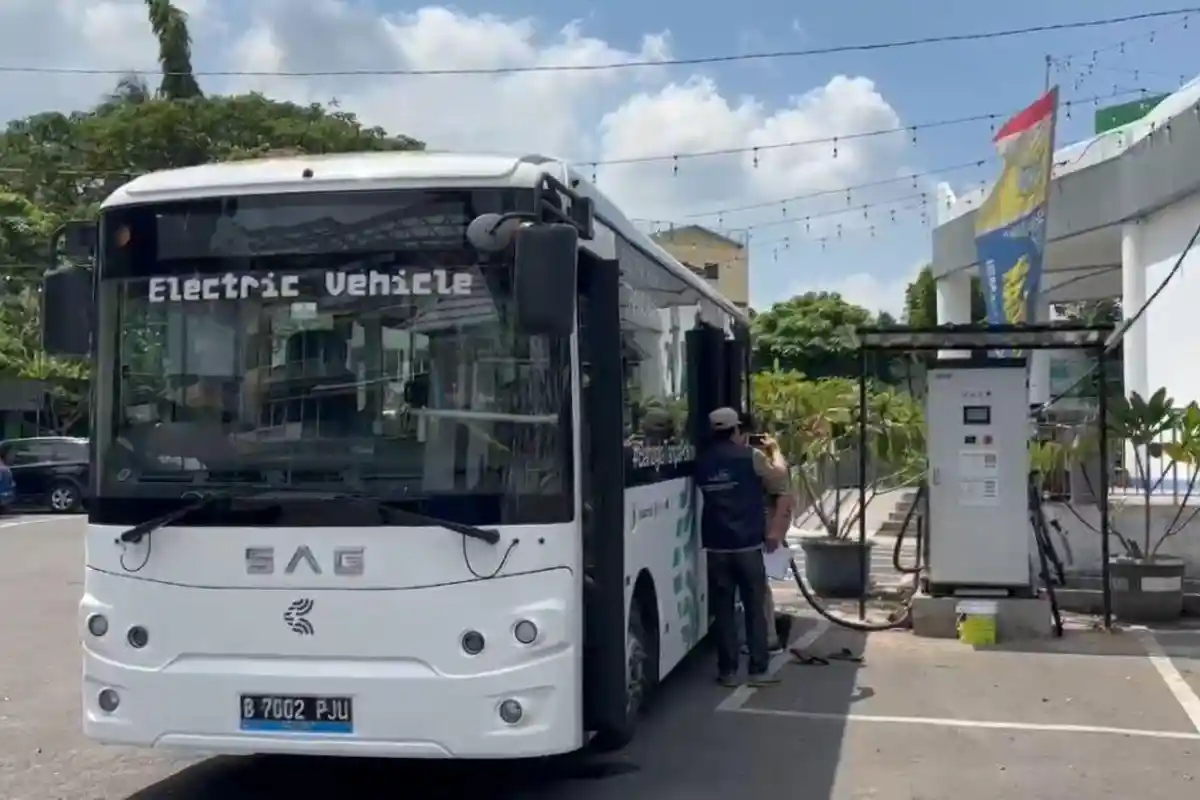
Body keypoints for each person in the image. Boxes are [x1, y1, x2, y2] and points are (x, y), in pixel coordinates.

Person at [696, 407, 791, 687]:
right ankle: (758, 670)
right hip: (747, 544)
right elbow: (780, 481)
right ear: (736, 429)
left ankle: (727, 671)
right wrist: (774, 451)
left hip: (716, 545)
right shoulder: (752, 457)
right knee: (754, 608)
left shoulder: (701, 461)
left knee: (723, 610)